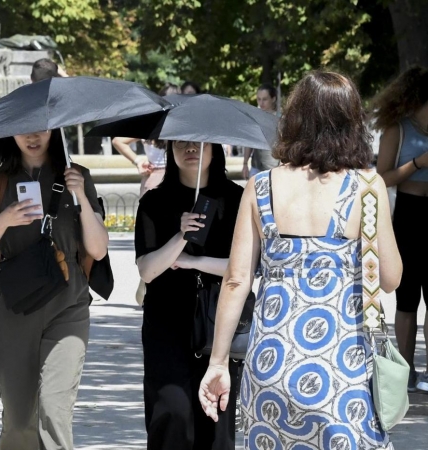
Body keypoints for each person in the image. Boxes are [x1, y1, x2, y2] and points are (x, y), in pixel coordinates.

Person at [199, 71, 402, 449]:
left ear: (293, 119)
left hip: (270, 366)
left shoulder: (260, 187)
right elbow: (390, 279)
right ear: (351, 122)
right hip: (342, 369)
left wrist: (218, 363)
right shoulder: (366, 188)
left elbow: (236, 280)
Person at [0, 129, 108, 449]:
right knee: (19, 422)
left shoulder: (78, 175)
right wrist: (4, 219)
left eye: (42, 128)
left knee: (54, 412)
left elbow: (98, 249)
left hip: (67, 304)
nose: (32, 136)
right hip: (13, 308)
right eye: (23, 129)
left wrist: (82, 198)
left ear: (56, 130)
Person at [135, 139, 243, 449]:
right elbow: (148, 270)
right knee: (171, 413)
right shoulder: (154, 202)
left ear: (215, 149)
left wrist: (194, 262)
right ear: (170, 150)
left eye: (199, 143)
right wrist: (182, 237)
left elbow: (245, 268)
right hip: (166, 320)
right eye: (181, 143)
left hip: (219, 320)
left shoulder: (236, 198)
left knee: (215, 421)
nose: (190, 150)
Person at [371, 65, 428, 393]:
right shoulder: (399, 129)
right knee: (407, 300)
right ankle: (405, 373)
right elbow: (381, 178)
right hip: (407, 214)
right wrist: (419, 163)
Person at [242, 83, 280, 179]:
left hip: (274, 168)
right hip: (256, 166)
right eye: (259, 99)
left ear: (273, 99)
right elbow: (249, 143)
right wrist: (245, 163)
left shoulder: (280, 119)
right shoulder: (254, 118)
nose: (261, 103)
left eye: (264, 99)